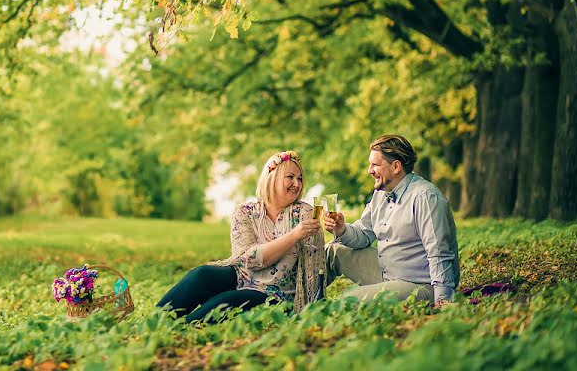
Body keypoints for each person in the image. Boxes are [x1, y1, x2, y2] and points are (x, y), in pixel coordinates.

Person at [156, 150, 326, 323]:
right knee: (202, 274)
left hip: (277, 296)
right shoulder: (245, 212)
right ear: (272, 177)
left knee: (226, 302)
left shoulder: (305, 214)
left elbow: (315, 269)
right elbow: (247, 260)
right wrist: (294, 235)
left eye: (300, 179)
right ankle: (154, 321)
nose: (296, 184)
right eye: (290, 177)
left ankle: (179, 329)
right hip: (242, 278)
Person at [323, 135, 459, 308]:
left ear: (396, 166)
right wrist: (342, 229)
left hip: (421, 285)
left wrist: (443, 299)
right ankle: (296, 304)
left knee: (349, 299)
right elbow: (363, 234)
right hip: (387, 270)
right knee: (332, 251)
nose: (369, 170)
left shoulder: (425, 197)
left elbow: (439, 252)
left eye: (375, 165)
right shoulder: (381, 193)